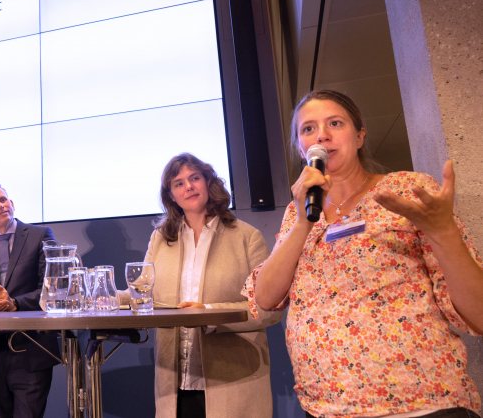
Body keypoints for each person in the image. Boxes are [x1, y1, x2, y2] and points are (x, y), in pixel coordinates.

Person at [244, 90, 483, 417]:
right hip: (325, 408)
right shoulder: (297, 211)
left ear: (359, 136)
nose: (322, 135)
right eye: (308, 129)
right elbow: (266, 298)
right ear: (301, 147)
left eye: (335, 123)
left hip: (422, 406)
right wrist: (302, 222)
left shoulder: (406, 188)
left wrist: (443, 231)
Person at [138, 153, 281, 418]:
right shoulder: (160, 239)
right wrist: (101, 293)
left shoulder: (247, 236)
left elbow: (268, 308)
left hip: (234, 379)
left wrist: (208, 312)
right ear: (171, 195)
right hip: (175, 382)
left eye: (194, 178)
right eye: (178, 183)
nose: (188, 186)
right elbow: (140, 293)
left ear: (208, 183)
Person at [0, 181, 60, 418]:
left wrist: (14, 302)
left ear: (12, 203)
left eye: (3, 200)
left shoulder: (40, 235)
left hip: (31, 349)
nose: (0, 205)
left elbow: (52, 288)